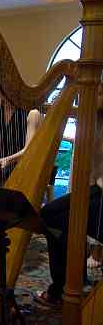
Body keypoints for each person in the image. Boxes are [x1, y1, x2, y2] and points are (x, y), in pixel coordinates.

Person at [36, 93, 103, 308]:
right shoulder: (92, 120)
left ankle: (62, 287)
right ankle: (73, 281)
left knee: (52, 215)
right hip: (95, 189)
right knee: (56, 217)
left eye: (99, 92)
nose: (92, 96)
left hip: (100, 191)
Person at [0, 87, 43, 185]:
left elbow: (28, 150)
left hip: (21, 168)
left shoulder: (32, 114)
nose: (6, 95)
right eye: (2, 92)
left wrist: (8, 160)